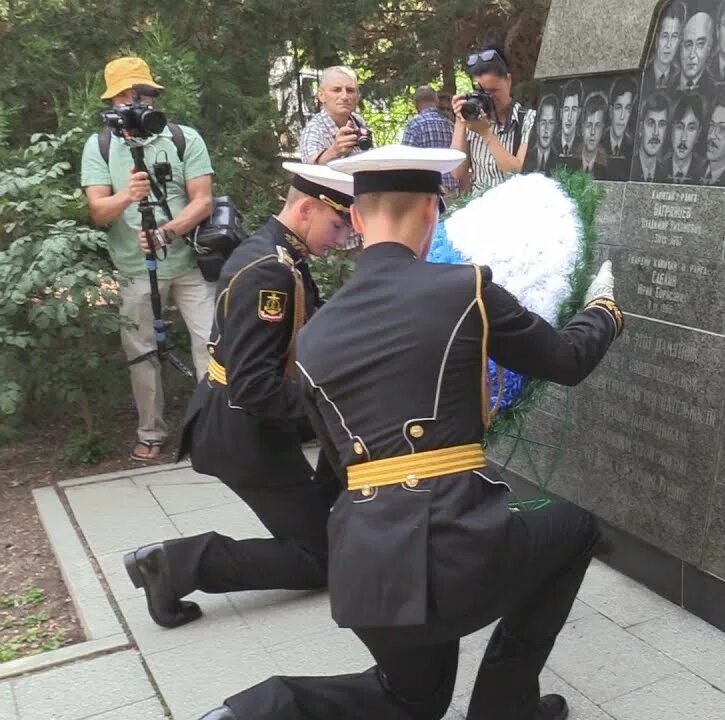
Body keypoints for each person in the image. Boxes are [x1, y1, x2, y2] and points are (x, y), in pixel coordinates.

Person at [196, 144, 623, 720]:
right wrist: (603, 309)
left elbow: (339, 458)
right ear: (430, 210)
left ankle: (262, 710)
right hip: (455, 549)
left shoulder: (318, 331)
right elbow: (567, 360)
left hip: (364, 566)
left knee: (412, 701)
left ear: (355, 218)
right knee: (574, 529)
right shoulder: (464, 289)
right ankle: (506, 708)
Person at [122, 163, 353, 629]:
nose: (343, 236)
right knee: (320, 559)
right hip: (241, 433)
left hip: (248, 425)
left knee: (328, 489)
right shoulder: (268, 272)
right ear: (307, 207)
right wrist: (327, 409)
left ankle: (331, 522)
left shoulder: (279, 254)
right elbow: (253, 384)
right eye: (338, 223)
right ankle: (176, 565)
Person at [81, 56, 216, 463]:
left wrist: (165, 232)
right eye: (129, 94)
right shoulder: (100, 145)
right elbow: (98, 211)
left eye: (145, 93)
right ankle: (150, 432)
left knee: (211, 343)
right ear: (114, 100)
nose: (138, 101)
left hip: (190, 261)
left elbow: (203, 201)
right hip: (134, 267)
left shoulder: (182, 138)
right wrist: (127, 196)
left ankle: (214, 430)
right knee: (141, 352)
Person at [450, 46, 536, 193]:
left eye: (493, 91)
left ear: (508, 81)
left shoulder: (528, 119)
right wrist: (460, 120)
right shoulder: (473, 119)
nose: (489, 98)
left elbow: (517, 173)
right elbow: (456, 173)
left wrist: (486, 134)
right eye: (483, 92)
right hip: (480, 208)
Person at [298, 66, 371, 166]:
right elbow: (310, 169)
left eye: (350, 90)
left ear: (358, 96)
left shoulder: (358, 121)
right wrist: (334, 151)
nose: (344, 96)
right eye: (336, 90)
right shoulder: (314, 130)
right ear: (321, 95)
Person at [402, 85, 463, 199]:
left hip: (427, 194)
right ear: (436, 101)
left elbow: (405, 162)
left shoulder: (414, 125)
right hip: (453, 192)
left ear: (416, 103)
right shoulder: (451, 124)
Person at [662, 92, 707, 184]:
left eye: (691, 128)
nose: (683, 138)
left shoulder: (705, 172)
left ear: (699, 133)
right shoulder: (658, 167)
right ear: (671, 129)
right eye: (679, 127)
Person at [645, 1, 685, 92]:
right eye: (665, 36)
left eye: (674, 36)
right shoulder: (645, 73)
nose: (668, 44)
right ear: (656, 38)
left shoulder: (680, 78)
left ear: (679, 40)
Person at [631, 92, 672, 183]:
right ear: (641, 128)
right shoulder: (628, 168)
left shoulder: (666, 176)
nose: (656, 133)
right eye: (651, 123)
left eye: (661, 124)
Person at [605, 76, 637, 178]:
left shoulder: (632, 149)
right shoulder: (599, 142)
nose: (622, 116)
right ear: (611, 110)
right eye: (618, 108)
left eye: (627, 108)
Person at [572, 93, 610, 178]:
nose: (593, 132)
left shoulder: (607, 169)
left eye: (597, 126)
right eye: (589, 125)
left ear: (603, 130)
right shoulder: (569, 164)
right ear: (582, 128)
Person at [678, 10, 715, 93]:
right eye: (688, 44)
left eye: (700, 44)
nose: (692, 55)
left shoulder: (714, 89)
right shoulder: (667, 87)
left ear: (709, 47)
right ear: (680, 46)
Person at [525, 94, 560, 174]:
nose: (546, 129)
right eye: (543, 122)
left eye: (551, 123)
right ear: (537, 126)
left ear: (555, 127)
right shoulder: (525, 156)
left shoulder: (559, 162)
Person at [556, 79, 584, 165]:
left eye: (574, 110)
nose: (569, 117)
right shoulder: (552, 144)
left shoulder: (583, 146)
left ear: (579, 113)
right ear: (561, 113)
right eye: (566, 109)